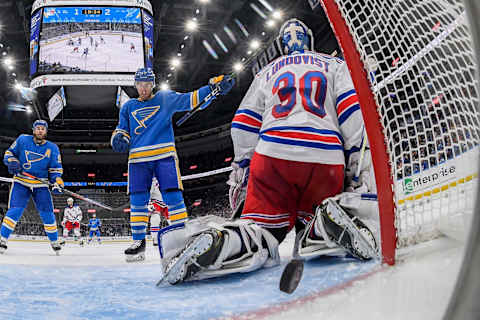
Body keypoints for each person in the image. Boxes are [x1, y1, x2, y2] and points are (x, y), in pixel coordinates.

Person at [158, 19, 378, 285]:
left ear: (282, 47)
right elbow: (352, 112)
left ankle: (226, 243)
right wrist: (356, 167)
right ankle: (323, 224)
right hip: (324, 157)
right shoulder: (335, 65)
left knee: (258, 229)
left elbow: (243, 123)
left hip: (273, 156)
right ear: (311, 40)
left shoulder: (267, 72)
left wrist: (241, 170)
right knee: (317, 214)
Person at [111, 67, 234, 262]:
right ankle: (138, 242)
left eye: (147, 84)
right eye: (140, 84)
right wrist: (118, 138)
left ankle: (183, 239)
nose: (144, 88)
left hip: (164, 155)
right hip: (137, 159)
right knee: (138, 201)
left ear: (153, 84)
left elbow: (191, 99)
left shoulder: (165, 98)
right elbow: (122, 129)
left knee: (172, 196)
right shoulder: (128, 107)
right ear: (135, 85)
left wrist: (213, 87)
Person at [0, 120, 64, 254]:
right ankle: (2, 239)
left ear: (46, 131)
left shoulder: (52, 148)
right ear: (33, 130)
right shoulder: (22, 139)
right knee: (15, 211)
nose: (40, 130)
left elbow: (55, 169)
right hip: (21, 182)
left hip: (40, 185)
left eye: (43, 129)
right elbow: (9, 153)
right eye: (38, 128)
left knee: (47, 214)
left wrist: (57, 181)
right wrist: (12, 161)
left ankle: (54, 241)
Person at [148, 178, 169, 246]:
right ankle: (155, 238)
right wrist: (149, 203)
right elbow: (148, 191)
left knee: (173, 219)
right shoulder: (149, 176)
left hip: (167, 198)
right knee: (155, 219)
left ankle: (178, 235)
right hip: (156, 200)